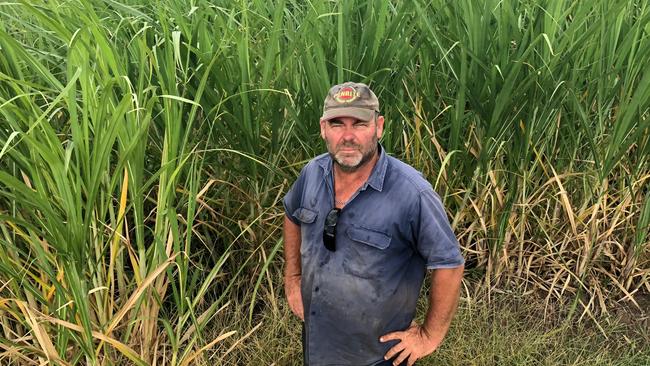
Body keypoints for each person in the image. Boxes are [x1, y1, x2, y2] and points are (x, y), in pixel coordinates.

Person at [283, 82, 464, 366]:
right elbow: (292, 214)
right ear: (323, 129)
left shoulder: (412, 193)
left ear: (378, 127)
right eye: (337, 124)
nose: (347, 136)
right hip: (318, 343)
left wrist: (429, 336)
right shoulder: (312, 174)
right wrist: (293, 279)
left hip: (377, 355)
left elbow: (449, 264)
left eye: (359, 124)